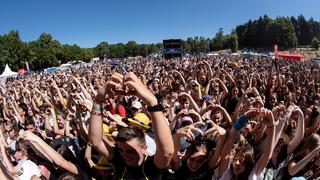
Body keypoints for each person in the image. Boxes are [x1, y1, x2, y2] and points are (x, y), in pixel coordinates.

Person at [89, 72, 174, 179]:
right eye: (121, 150)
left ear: (145, 148)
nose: (125, 155)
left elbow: (167, 153)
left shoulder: (151, 167)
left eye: (130, 151)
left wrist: (152, 102)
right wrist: (98, 101)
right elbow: (96, 141)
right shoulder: (120, 160)